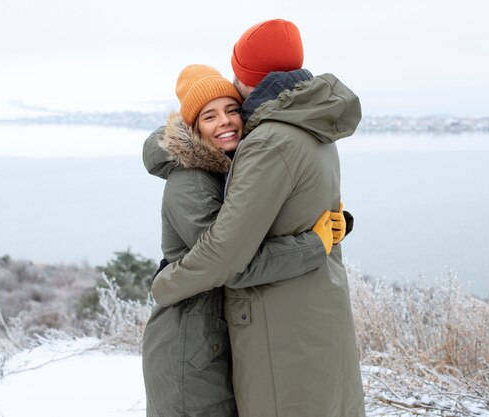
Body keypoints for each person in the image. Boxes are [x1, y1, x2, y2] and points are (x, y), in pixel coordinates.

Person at [150, 19, 366, 417]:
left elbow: (226, 258)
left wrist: (167, 282)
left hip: (277, 326)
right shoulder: (312, 126)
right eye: (209, 116)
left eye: (231, 108)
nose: (227, 121)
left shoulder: (267, 141)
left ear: (248, 78)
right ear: (192, 126)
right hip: (211, 338)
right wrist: (318, 241)